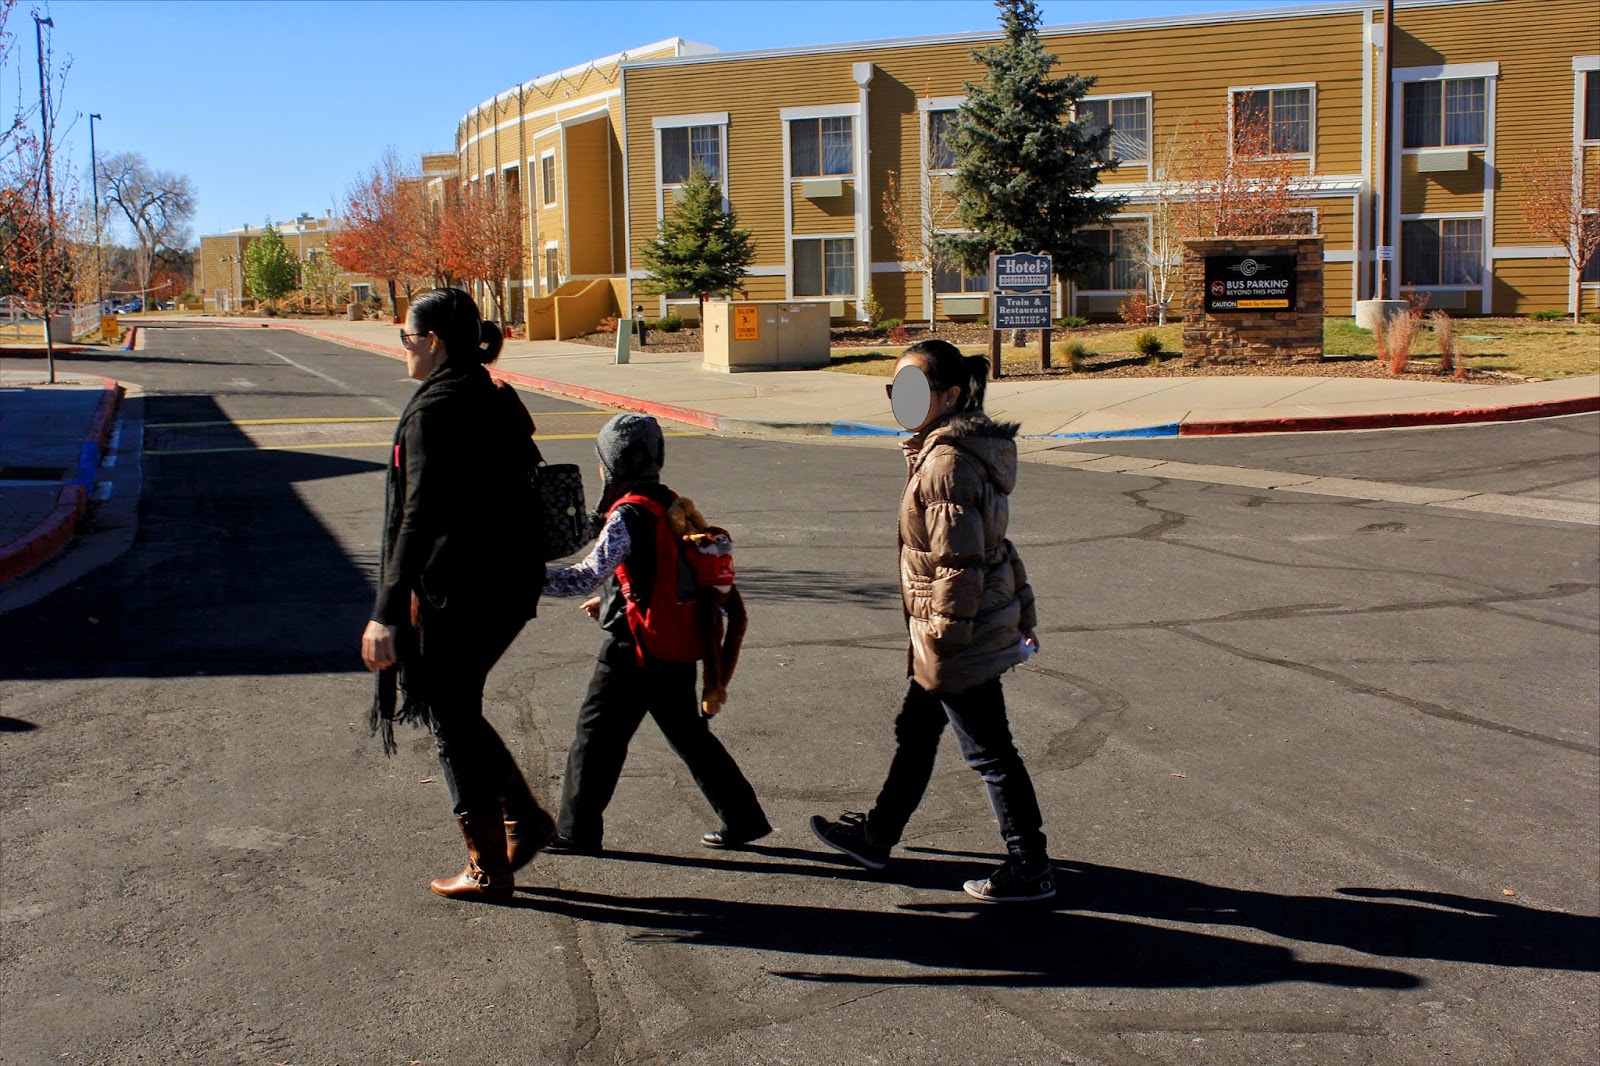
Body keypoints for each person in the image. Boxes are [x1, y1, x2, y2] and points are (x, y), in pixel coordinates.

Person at [810, 339, 1052, 903]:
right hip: (949, 627)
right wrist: (1021, 608)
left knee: (990, 751)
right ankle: (877, 836)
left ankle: (1029, 864)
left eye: (916, 388)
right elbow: (995, 545)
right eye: (897, 388)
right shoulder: (945, 452)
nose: (903, 399)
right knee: (917, 732)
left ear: (950, 395)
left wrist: (945, 639)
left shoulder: (947, 463)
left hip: (956, 632)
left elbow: (959, 562)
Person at [361, 287, 554, 904]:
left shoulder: (433, 411)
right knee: (456, 706)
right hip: (511, 581)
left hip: (463, 589)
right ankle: (521, 821)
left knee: (449, 711)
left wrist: (386, 612)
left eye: (407, 337)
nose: (404, 347)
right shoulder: (489, 394)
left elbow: (416, 518)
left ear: (434, 342)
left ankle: (490, 864)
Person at [541, 412, 770, 854]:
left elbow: (584, 576)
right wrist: (609, 600)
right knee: (690, 737)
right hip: (675, 641)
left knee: (596, 738)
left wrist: (516, 578)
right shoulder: (671, 503)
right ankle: (744, 818)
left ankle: (576, 831)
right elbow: (660, 572)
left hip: (634, 649)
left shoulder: (627, 513)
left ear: (613, 464)